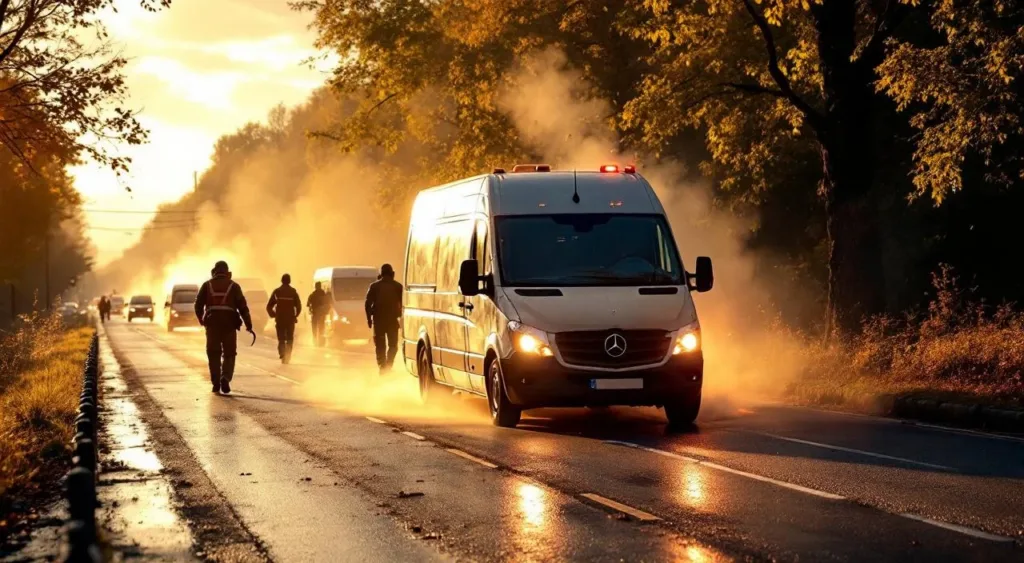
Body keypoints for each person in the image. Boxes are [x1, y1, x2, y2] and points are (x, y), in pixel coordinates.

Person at [194, 261, 253, 394]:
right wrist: (248, 324)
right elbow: (243, 307)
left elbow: (198, 305)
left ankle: (216, 383)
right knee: (229, 353)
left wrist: (202, 319)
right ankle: (225, 378)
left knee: (213, 353)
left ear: (214, 271)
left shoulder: (207, 285)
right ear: (227, 272)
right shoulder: (234, 286)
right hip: (229, 325)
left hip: (212, 326)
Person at [364, 263, 403, 374]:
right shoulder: (398, 286)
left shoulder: (374, 286)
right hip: (392, 321)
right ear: (392, 274)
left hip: (379, 322)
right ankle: (388, 366)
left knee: (380, 346)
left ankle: (383, 367)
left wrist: (369, 319)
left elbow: (367, 304)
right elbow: (404, 304)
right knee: (393, 346)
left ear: (381, 274)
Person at [267, 273, 302, 364]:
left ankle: (282, 353)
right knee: (290, 338)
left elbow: (269, 306)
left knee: (281, 338)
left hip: (280, 319)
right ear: (289, 281)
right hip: (290, 319)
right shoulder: (293, 292)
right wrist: (295, 316)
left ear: (282, 280)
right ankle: (288, 356)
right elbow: (299, 306)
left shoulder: (277, 292)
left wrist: (273, 314)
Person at [306, 281, 330, 347]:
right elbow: (327, 303)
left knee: (314, 329)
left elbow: (308, 304)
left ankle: (315, 342)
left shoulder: (313, 294)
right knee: (321, 329)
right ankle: (321, 343)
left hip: (315, 314)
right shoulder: (323, 294)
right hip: (322, 315)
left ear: (316, 286)